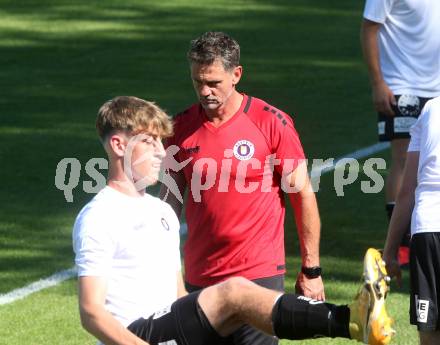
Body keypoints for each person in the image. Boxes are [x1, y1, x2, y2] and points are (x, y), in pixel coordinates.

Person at [74, 96, 394, 345]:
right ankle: (351, 319)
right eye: (149, 141)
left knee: (243, 310)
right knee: (235, 291)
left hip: (170, 325)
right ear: (118, 145)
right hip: (137, 333)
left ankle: (354, 321)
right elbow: (91, 312)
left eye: (161, 142)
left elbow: (178, 297)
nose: (161, 152)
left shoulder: (162, 212)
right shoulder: (99, 215)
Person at [159, 31, 323, 345]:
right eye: (197, 82)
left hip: (257, 274)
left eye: (213, 82)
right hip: (199, 275)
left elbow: (302, 196)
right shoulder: (179, 129)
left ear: (236, 74)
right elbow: (168, 199)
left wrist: (311, 268)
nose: (205, 91)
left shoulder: (271, 123)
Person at [360, 0, 440, 266]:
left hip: (437, 88)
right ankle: (401, 246)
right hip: (401, 86)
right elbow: (369, 29)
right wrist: (378, 83)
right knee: (405, 161)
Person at [383, 97, 440, 345]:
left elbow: (406, 191)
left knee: (430, 333)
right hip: (427, 226)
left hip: (427, 230)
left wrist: (390, 252)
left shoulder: (430, 109)